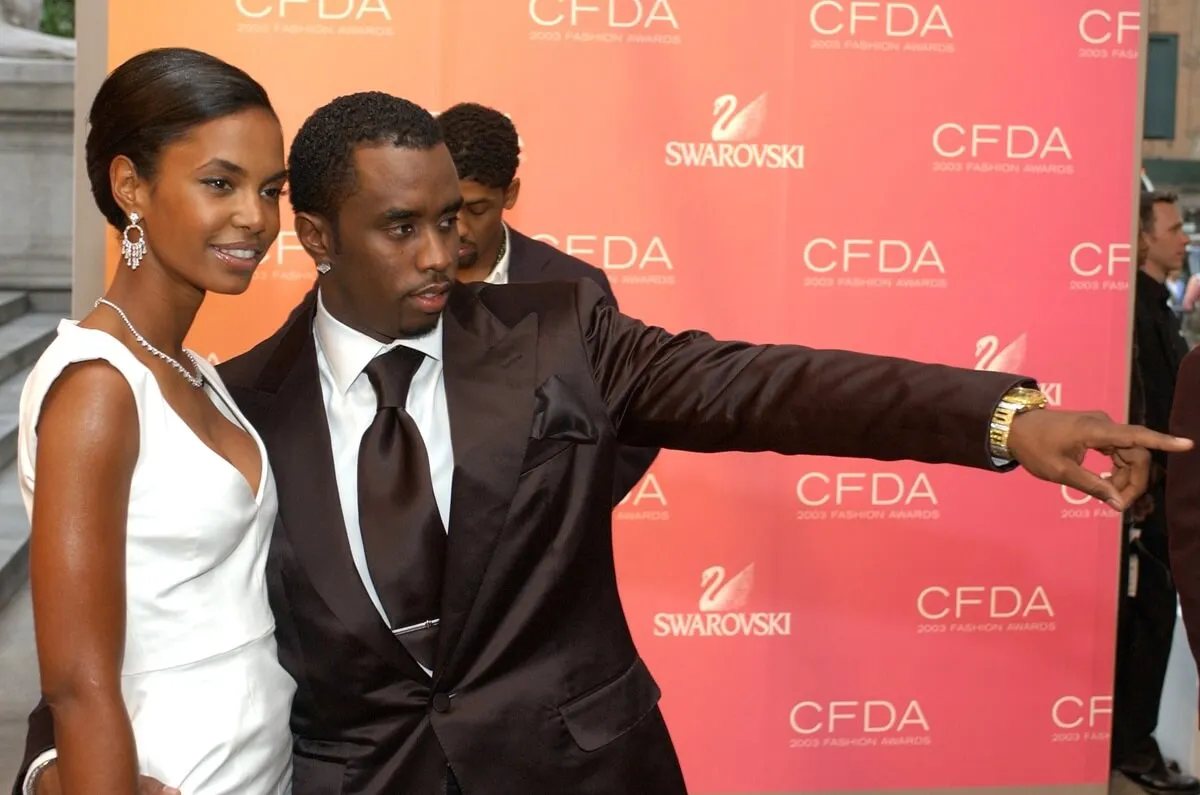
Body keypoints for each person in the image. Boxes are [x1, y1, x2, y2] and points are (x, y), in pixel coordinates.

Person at [17, 90, 1190, 795]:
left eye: (455, 217)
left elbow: (770, 389)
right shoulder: (238, 406)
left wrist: (1005, 419)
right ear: (318, 236)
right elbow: (153, 612)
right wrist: (47, 764)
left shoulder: (557, 334)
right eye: (402, 227)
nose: (444, 254)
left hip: (579, 776)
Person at [14, 48, 294, 795]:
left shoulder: (192, 369)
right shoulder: (99, 386)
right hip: (175, 770)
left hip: (262, 764)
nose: (256, 217)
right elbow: (75, 682)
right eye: (219, 183)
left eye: (271, 189)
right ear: (131, 185)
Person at [436, 100, 657, 503]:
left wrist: (569, 513)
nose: (461, 229)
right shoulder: (395, 280)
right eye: (449, 211)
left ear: (511, 194)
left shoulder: (574, 288)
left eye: (478, 209)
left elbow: (633, 418)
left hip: (542, 554)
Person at [1112, 191, 1200, 794]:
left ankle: (1137, 741)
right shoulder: (1133, 313)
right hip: (1160, 500)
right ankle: (1132, 745)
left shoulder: (1161, 309)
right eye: (1172, 229)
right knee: (1146, 626)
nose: (1183, 239)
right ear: (1143, 238)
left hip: (1171, 496)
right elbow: (1144, 401)